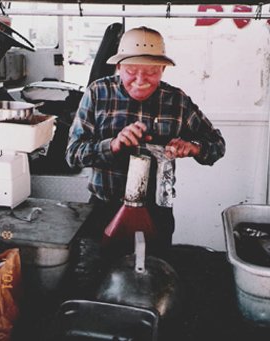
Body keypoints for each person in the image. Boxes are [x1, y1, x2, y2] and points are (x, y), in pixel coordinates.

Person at [66, 26, 226, 258]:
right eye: (131, 70)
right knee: (98, 275)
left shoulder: (177, 100)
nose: (140, 80)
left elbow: (217, 146)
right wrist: (113, 144)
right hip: (104, 207)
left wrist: (194, 148)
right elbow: (72, 155)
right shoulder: (97, 93)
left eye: (151, 72)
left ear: (162, 69)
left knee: (154, 276)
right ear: (118, 66)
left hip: (156, 211)